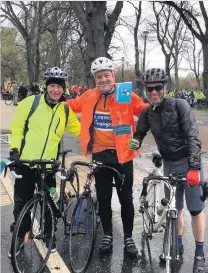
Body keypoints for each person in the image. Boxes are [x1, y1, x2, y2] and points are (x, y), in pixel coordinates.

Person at [66, 57, 148, 258]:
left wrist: (160, 108)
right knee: (103, 197)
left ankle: (128, 237)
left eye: (106, 75)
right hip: (100, 153)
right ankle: (108, 235)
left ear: (113, 75)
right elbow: (68, 106)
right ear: (95, 79)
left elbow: (145, 111)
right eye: (98, 77)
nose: (103, 80)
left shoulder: (124, 93)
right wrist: (48, 100)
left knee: (126, 198)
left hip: (123, 155)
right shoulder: (89, 95)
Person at [129, 68, 206, 272]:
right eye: (149, 88)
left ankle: (200, 254)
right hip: (169, 164)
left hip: (188, 163)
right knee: (175, 209)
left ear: (165, 88)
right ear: (145, 89)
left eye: (158, 88)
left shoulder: (180, 105)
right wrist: (136, 141)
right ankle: (177, 244)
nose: (154, 92)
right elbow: (140, 131)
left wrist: (194, 167)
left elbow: (193, 137)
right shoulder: (147, 112)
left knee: (196, 209)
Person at [8, 67, 80, 257]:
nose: (56, 90)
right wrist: (14, 150)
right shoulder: (30, 103)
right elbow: (17, 128)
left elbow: (79, 130)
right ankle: (20, 235)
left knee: (48, 202)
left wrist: (101, 141)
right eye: (53, 86)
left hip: (48, 165)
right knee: (22, 202)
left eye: (59, 87)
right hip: (26, 162)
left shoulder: (65, 109)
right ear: (46, 87)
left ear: (63, 89)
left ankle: (49, 234)